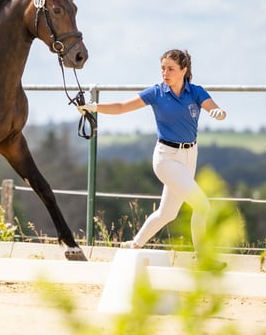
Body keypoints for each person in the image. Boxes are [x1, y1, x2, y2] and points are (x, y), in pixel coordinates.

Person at [78, 49, 227, 260]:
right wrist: (93, 107)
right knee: (202, 205)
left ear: (184, 70)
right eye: (163, 68)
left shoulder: (196, 91)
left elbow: (212, 107)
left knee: (168, 213)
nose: (165, 73)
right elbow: (121, 107)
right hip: (166, 158)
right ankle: (204, 259)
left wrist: (216, 112)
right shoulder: (156, 92)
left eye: (171, 69)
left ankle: (134, 246)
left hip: (189, 155)